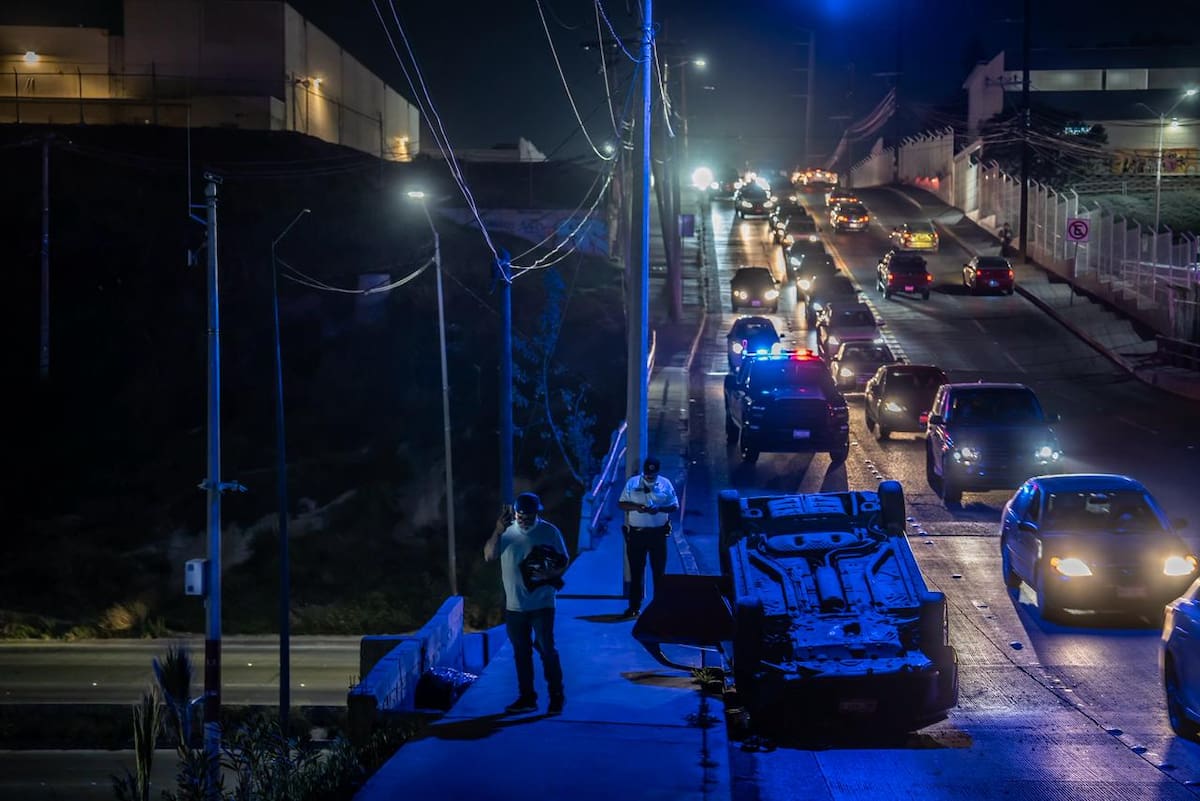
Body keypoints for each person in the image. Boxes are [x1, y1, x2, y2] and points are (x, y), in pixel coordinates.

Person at [483, 492, 569, 716]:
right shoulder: (507, 532)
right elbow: (489, 555)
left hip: (542, 605)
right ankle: (527, 698)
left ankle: (556, 697)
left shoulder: (549, 531)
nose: (524, 520)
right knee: (521, 654)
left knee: (547, 650)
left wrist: (550, 573)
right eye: (520, 515)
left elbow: (564, 560)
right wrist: (497, 531)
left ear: (536, 513)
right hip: (515, 607)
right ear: (515, 513)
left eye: (528, 516)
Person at [617, 456, 679, 618]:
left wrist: (659, 509)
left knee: (659, 573)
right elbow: (622, 504)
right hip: (637, 534)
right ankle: (634, 607)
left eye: (653, 475)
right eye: (647, 474)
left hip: (658, 535)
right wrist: (638, 507)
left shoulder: (665, 484)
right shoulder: (632, 483)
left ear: (658, 472)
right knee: (636, 572)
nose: (649, 477)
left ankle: (659, 608)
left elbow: (674, 506)